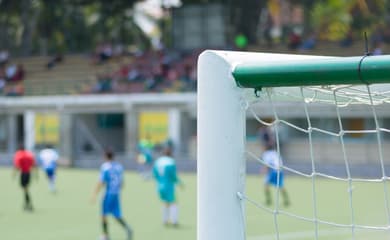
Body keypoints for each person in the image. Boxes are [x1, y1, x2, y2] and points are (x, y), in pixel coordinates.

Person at [91, 149, 133, 240]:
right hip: (116, 193)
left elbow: (101, 182)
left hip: (108, 193)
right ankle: (128, 228)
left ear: (105, 157)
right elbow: (122, 183)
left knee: (103, 214)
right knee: (116, 214)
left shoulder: (105, 167)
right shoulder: (119, 166)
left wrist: (95, 194)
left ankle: (105, 235)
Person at [153, 144, 183, 227]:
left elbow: (155, 175)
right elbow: (173, 176)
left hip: (159, 186)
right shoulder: (171, 162)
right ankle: (174, 221)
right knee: (173, 203)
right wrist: (180, 183)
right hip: (168, 186)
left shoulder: (158, 162)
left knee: (165, 202)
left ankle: (165, 220)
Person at [13, 143, 37, 211]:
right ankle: (27, 203)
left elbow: (17, 165)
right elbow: (33, 164)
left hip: (23, 173)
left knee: (25, 189)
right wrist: (36, 174)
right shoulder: (29, 154)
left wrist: (14, 173)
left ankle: (28, 203)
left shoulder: (19, 154)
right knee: (25, 188)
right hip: (28, 173)